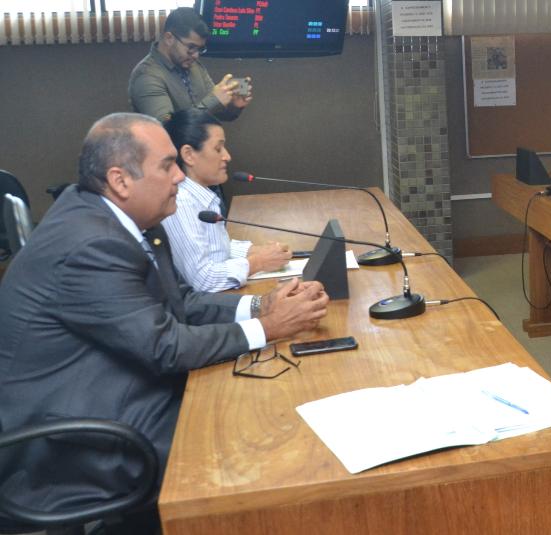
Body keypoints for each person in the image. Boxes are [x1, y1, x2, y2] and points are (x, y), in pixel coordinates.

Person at [0, 113, 329, 529]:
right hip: (70, 440)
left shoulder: (126, 220)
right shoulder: (91, 244)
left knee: (257, 403)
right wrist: (269, 328)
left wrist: (260, 306)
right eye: (167, 165)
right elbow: (165, 346)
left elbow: (181, 302)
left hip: (113, 390)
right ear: (120, 181)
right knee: (255, 445)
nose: (179, 177)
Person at [161, 109, 291, 291]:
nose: (227, 156)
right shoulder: (181, 203)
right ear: (189, 155)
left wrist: (256, 251)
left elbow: (214, 248)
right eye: (218, 149)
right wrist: (258, 262)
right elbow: (202, 280)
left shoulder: (200, 195)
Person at [129, 7, 251, 124]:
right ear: (169, 38)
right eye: (191, 47)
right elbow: (167, 124)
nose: (196, 55)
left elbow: (213, 112)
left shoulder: (194, 66)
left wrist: (233, 106)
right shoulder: (146, 77)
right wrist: (213, 101)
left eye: (200, 49)